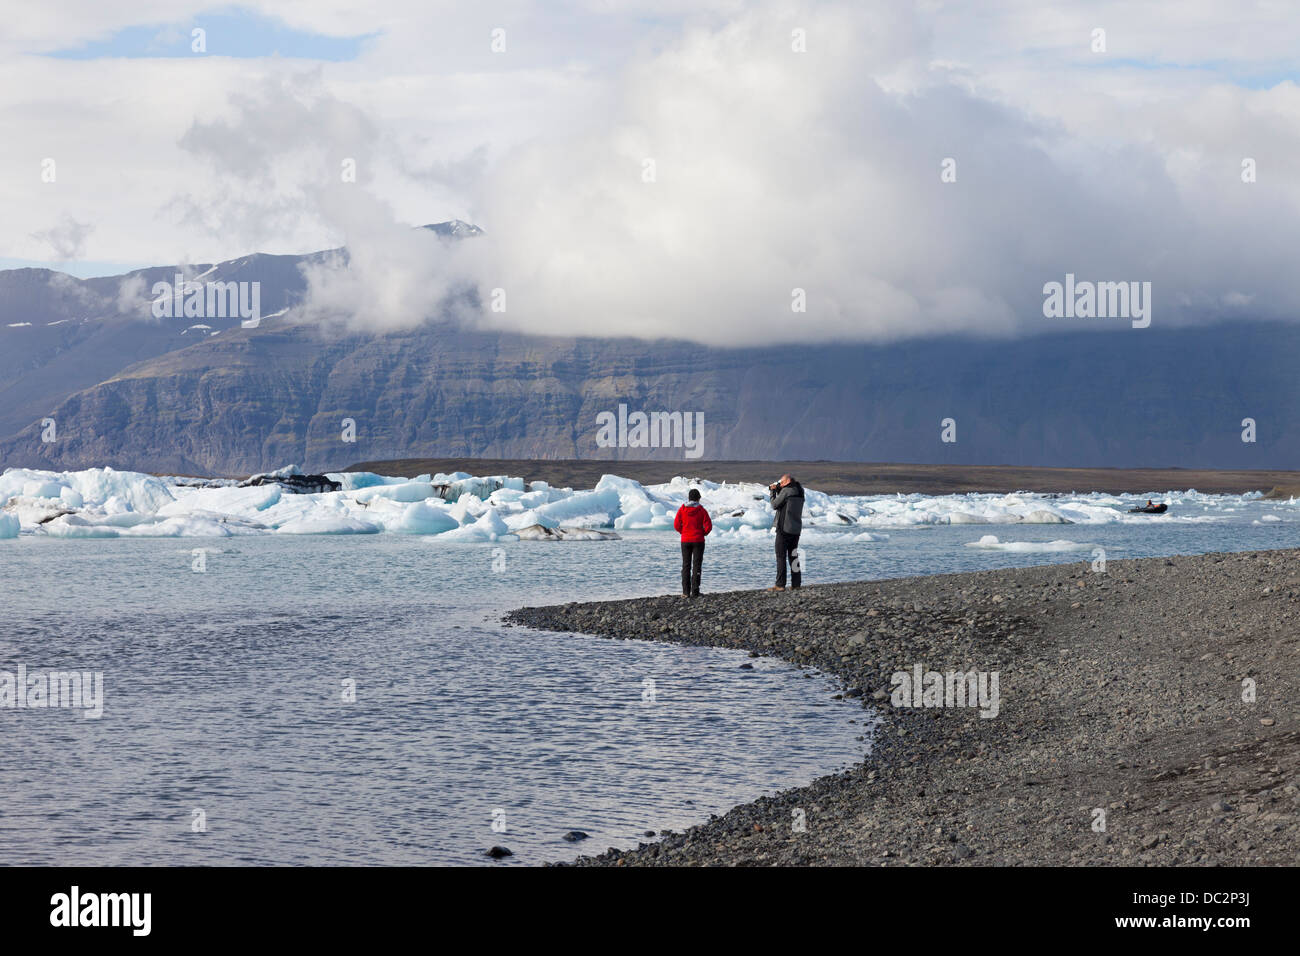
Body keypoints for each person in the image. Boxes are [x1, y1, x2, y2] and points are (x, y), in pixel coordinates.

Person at [673, 488, 712, 598]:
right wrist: (702, 533)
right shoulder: (701, 510)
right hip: (698, 541)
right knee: (697, 566)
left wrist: (683, 532)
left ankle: (685, 592)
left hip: (685, 540)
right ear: (698, 498)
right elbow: (709, 526)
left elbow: (676, 525)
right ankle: (695, 592)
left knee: (686, 565)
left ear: (689, 498)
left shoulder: (682, 509)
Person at [768, 474, 804, 590]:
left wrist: (773, 492)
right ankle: (796, 584)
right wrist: (780, 489)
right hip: (796, 529)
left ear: (788, 481)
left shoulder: (786, 491)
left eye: (782, 482)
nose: (780, 484)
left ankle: (780, 584)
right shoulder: (800, 490)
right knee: (793, 555)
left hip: (784, 529)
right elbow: (787, 502)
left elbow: (774, 505)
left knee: (780, 556)